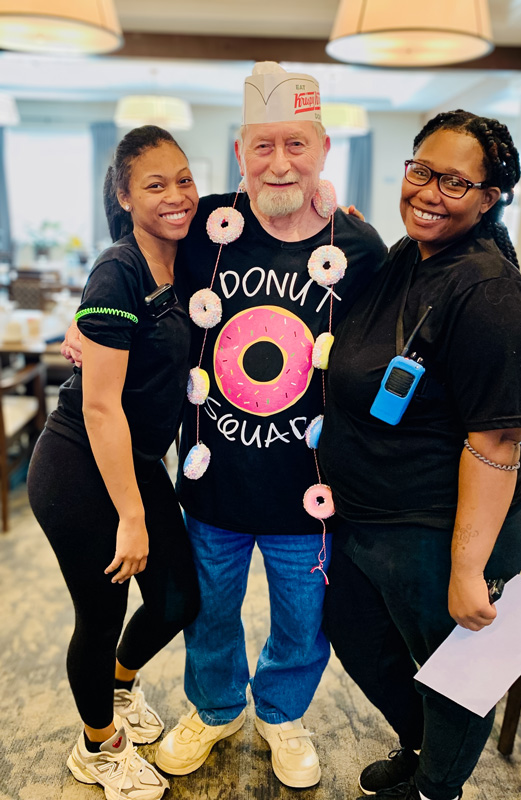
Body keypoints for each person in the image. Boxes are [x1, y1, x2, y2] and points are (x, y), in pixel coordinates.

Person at [150, 62, 388, 789]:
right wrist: (91, 326)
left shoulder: (360, 248)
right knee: (209, 610)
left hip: (307, 489)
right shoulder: (203, 229)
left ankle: (282, 715)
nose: (279, 163)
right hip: (212, 475)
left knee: (301, 621)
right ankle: (216, 708)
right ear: (239, 152)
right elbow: (139, 253)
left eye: (296, 144)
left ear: (323, 149)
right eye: (262, 146)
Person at [318, 110, 521, 800]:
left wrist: (468, 568)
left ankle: (434, 787)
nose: (428, 192)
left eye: (455, 182)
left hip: (443, 528)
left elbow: (497, 440)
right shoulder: (404, 258)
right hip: (369, 517)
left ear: (488, 197)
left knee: (459, 677)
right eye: (422, 170)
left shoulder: (488, 292)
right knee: (356, 635)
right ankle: (418, 747)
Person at [28, 125, 201, 800]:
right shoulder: (117, 268)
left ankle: (122, 685)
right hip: (78, 464)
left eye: (183, 179)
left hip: (134, 457)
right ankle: (97, 746)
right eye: (155, 185)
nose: (176, 195)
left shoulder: (186, 256)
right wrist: (132, 515)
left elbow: (255, 208)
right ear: (125, 197)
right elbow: (100, 408)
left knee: (178, 597)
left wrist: (334, 212)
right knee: (100, 615)